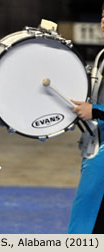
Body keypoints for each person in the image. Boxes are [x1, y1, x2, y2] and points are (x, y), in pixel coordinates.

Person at [67, 2, 104, 234]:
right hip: (97, 150)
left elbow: (96, 108)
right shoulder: (101, 55)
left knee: (85, 229)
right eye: (102, 15)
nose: (103, 21)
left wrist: (96, 111)